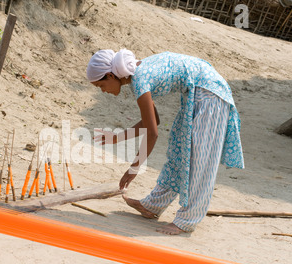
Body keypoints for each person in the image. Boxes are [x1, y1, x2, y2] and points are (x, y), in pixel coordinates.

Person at [87, 49, 244, 235]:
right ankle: (153, 205)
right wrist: (117, 137)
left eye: (100, 85)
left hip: (211, 95)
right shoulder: (137, 76)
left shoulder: (139, 79)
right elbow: (154, 121)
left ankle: (187, 220)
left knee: (199, 160)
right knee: (179, 151)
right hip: (196, 94)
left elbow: (153, 133)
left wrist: (134, 169)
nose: (103, 91)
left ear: (111, 75)